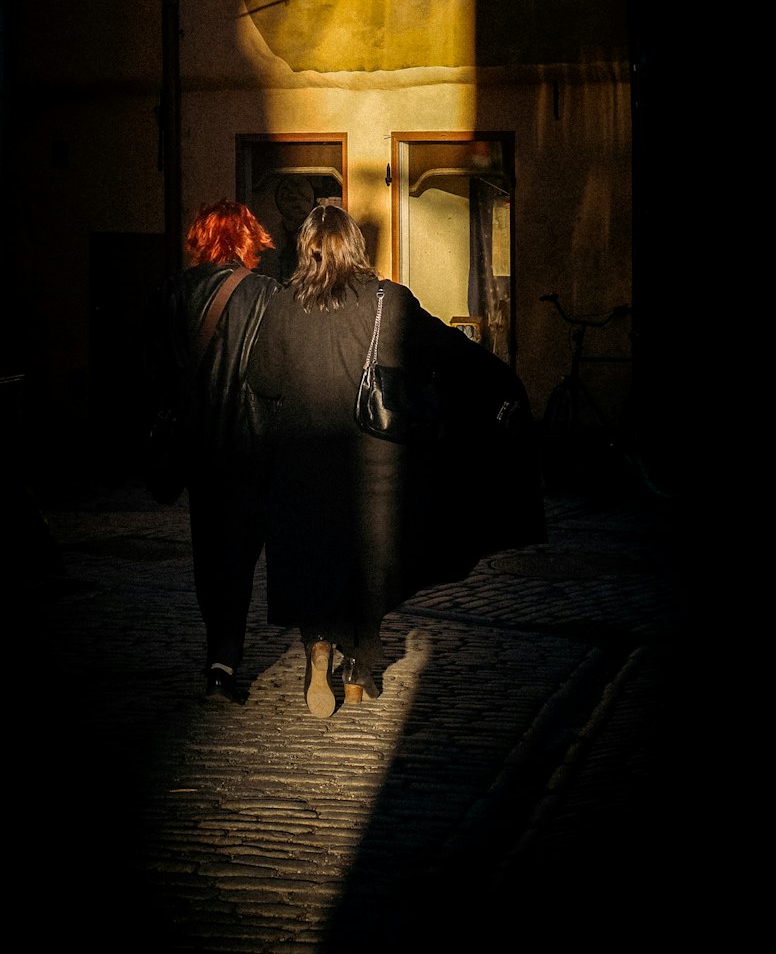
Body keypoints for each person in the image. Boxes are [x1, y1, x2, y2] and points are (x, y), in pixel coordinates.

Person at [247, 203, 545, 718]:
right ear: (355, 247)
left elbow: (263, 382)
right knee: (368, 568)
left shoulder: (282, 306)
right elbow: (455, 355)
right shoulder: (389, 301)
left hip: (301, 467)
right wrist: (505, 392)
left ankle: (318, 650)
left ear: (306, 249)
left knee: (312, 562)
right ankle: (360, 670)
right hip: (376, 473)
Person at [146, 199, 280, 702]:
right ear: (249, 239)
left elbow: (153, 375)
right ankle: (225, 656)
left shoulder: (171, 294)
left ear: (201, 239)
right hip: (251, 442)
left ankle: (217, 651)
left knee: (208, 550)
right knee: (240, 556)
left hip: (198, 446)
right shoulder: (268, 295)